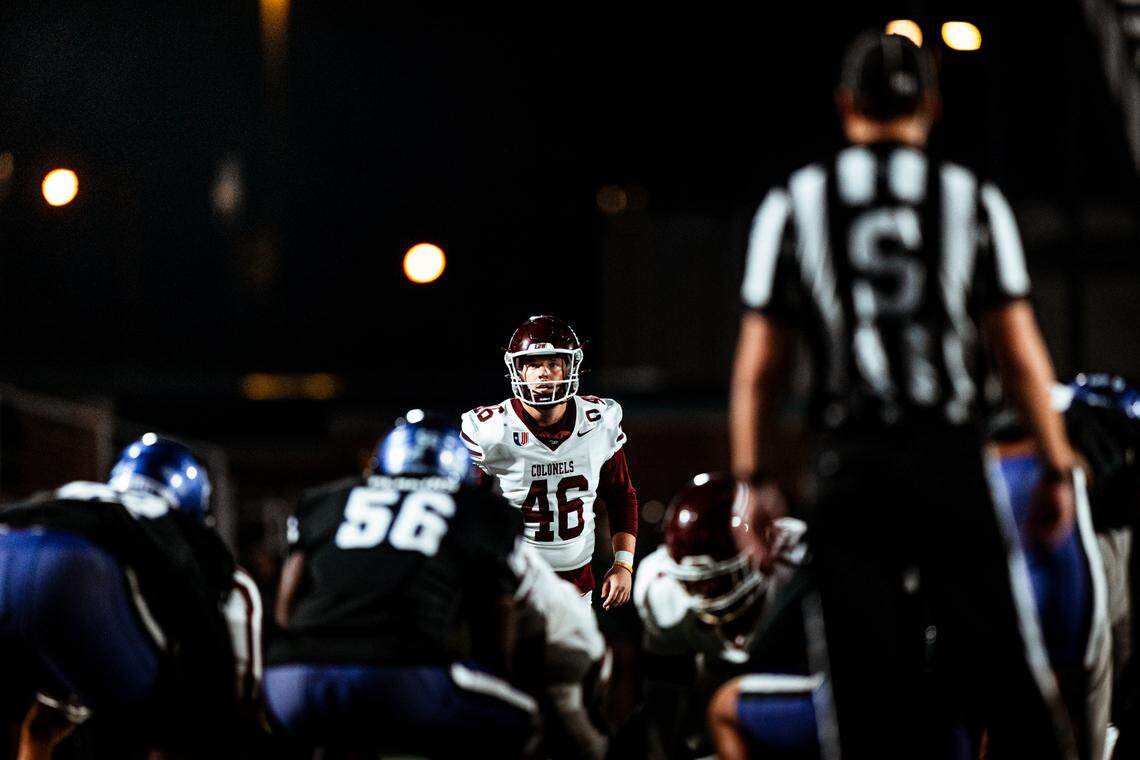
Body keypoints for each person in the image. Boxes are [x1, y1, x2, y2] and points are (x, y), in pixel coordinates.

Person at [728, 30, 1080, 759]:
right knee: (1005, 673)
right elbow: (1017, 351)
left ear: (845, 104)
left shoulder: (795, 202)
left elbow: (760, 366)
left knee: (863, 689)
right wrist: (1055, 461)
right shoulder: (970, 199)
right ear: (931, 104)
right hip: (946, 450)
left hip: (847, 461)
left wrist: (755, 478)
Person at [265, 412, 536, 757]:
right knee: (524, 718)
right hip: (400, 678)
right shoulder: (483, 510)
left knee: (340, 739)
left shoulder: (325, 499)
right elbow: (497, 614)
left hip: (291, 681)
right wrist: (492, 670)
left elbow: (285, 609)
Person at [0, 434, 261, 759]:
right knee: (179, 724)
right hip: (75, 573)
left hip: (7, 545)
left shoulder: (83, 495)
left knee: (41, 725)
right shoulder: (183, 532)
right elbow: (236, 701)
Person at [461, 315, 638, 610]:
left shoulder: (598, 422)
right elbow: (465, 507)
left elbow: (622, 496)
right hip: (512, 578)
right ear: (518, 368)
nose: (543, 374)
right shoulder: (491, 430)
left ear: (570, 366)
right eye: (533, 364)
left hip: (578, 581)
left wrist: (624, 565)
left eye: (553, 364)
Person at [633, 473, 814, 759]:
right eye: (695, 584)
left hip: (798, 671)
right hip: (721, 684)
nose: (707, 595)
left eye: (719, 581)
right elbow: (664, 694)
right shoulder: (661, 592)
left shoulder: (802, 563)